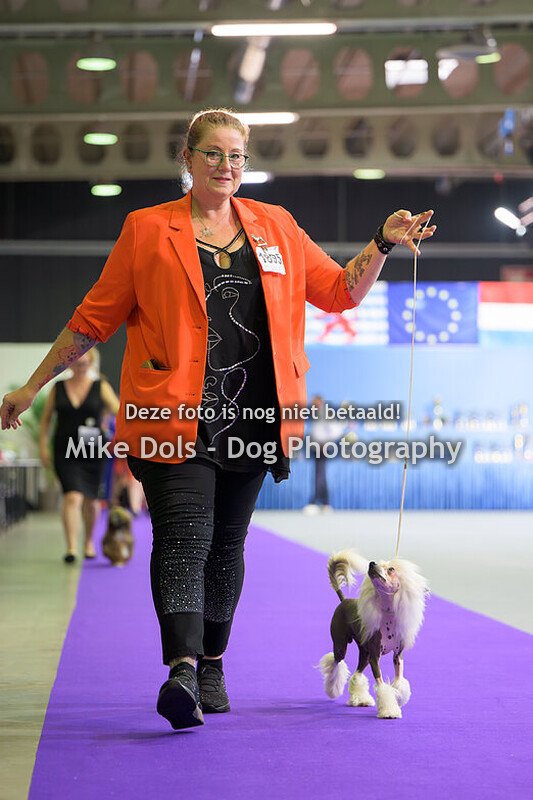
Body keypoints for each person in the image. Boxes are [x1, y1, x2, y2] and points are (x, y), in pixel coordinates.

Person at [0, 107, 436, 731]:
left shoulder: (276, 226)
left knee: (228, 545)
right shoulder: (147, 229)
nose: (225, 165)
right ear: (188, 158)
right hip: (172, 416)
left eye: (236, 155)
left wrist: (383, 242)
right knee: (184, 537)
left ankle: (211, 663)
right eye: (212, 153)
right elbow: (92, 319)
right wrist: (32, 384)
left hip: (256, 420)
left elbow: (340, 291)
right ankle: (181, 669)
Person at [39, 349, 120, 563]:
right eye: (76, 363)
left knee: (91, 499)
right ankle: (72, 547)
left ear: (91, 363)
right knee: (72, 495)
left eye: (84, 364)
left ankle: (88, 542)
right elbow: (46, 420)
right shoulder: (58, 387)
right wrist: (43, 447)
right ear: (70, 364)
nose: (80, 368)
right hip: (64, 448)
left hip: (92, 447)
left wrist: (108, 421)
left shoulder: (100, 386)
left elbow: (118, 409)